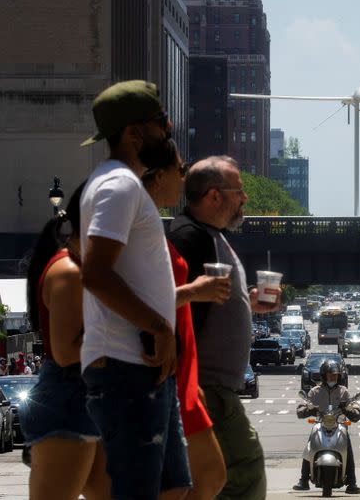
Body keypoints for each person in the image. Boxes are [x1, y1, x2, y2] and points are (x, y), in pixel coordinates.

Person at [79, 80, 191, 500]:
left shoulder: (123, 184)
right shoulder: (119, 186)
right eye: (161, 122)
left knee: (174, 486)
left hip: (142, 367)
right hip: (126, 365)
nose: (169, 129)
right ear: (132, 134)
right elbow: (95, 274)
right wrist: (160, 329)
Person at [167, 156, 279, 500]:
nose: (245, 198)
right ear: (214, 196)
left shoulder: (210, 236)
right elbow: (160, 301)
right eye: (238, 191)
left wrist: (247, 301)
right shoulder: (190, 238)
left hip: (210, 386)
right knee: (243, 473)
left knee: (209, 480)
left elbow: (205, 298)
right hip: (205, 385)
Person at [141, 139, 228, 500]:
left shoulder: (149, 222)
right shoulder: (152, 227)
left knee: (195, 481)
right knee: (200, 478)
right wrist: (194, 292)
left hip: (181, 377)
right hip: (161, 374)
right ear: (158, 176)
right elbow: (134, 301)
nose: (184, 177)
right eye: (180, 169)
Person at [21, 184, 111, 500]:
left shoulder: (83, 267)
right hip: (68, 402)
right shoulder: (69, 271)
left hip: (87, 401)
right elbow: (65, 353)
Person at [294, 360, 360, 494]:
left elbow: (355, 408)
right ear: (324, 376)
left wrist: (349, 410)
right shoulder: (315, 391)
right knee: (309, 447)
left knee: (348, 449)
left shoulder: (344, 392)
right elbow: (302, 406)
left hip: (339, 425)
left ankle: (352, 482)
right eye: (330, 375)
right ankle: (303, 480)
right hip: (320, 424)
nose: (333, 378)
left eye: (335, 375)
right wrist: (309, 410)